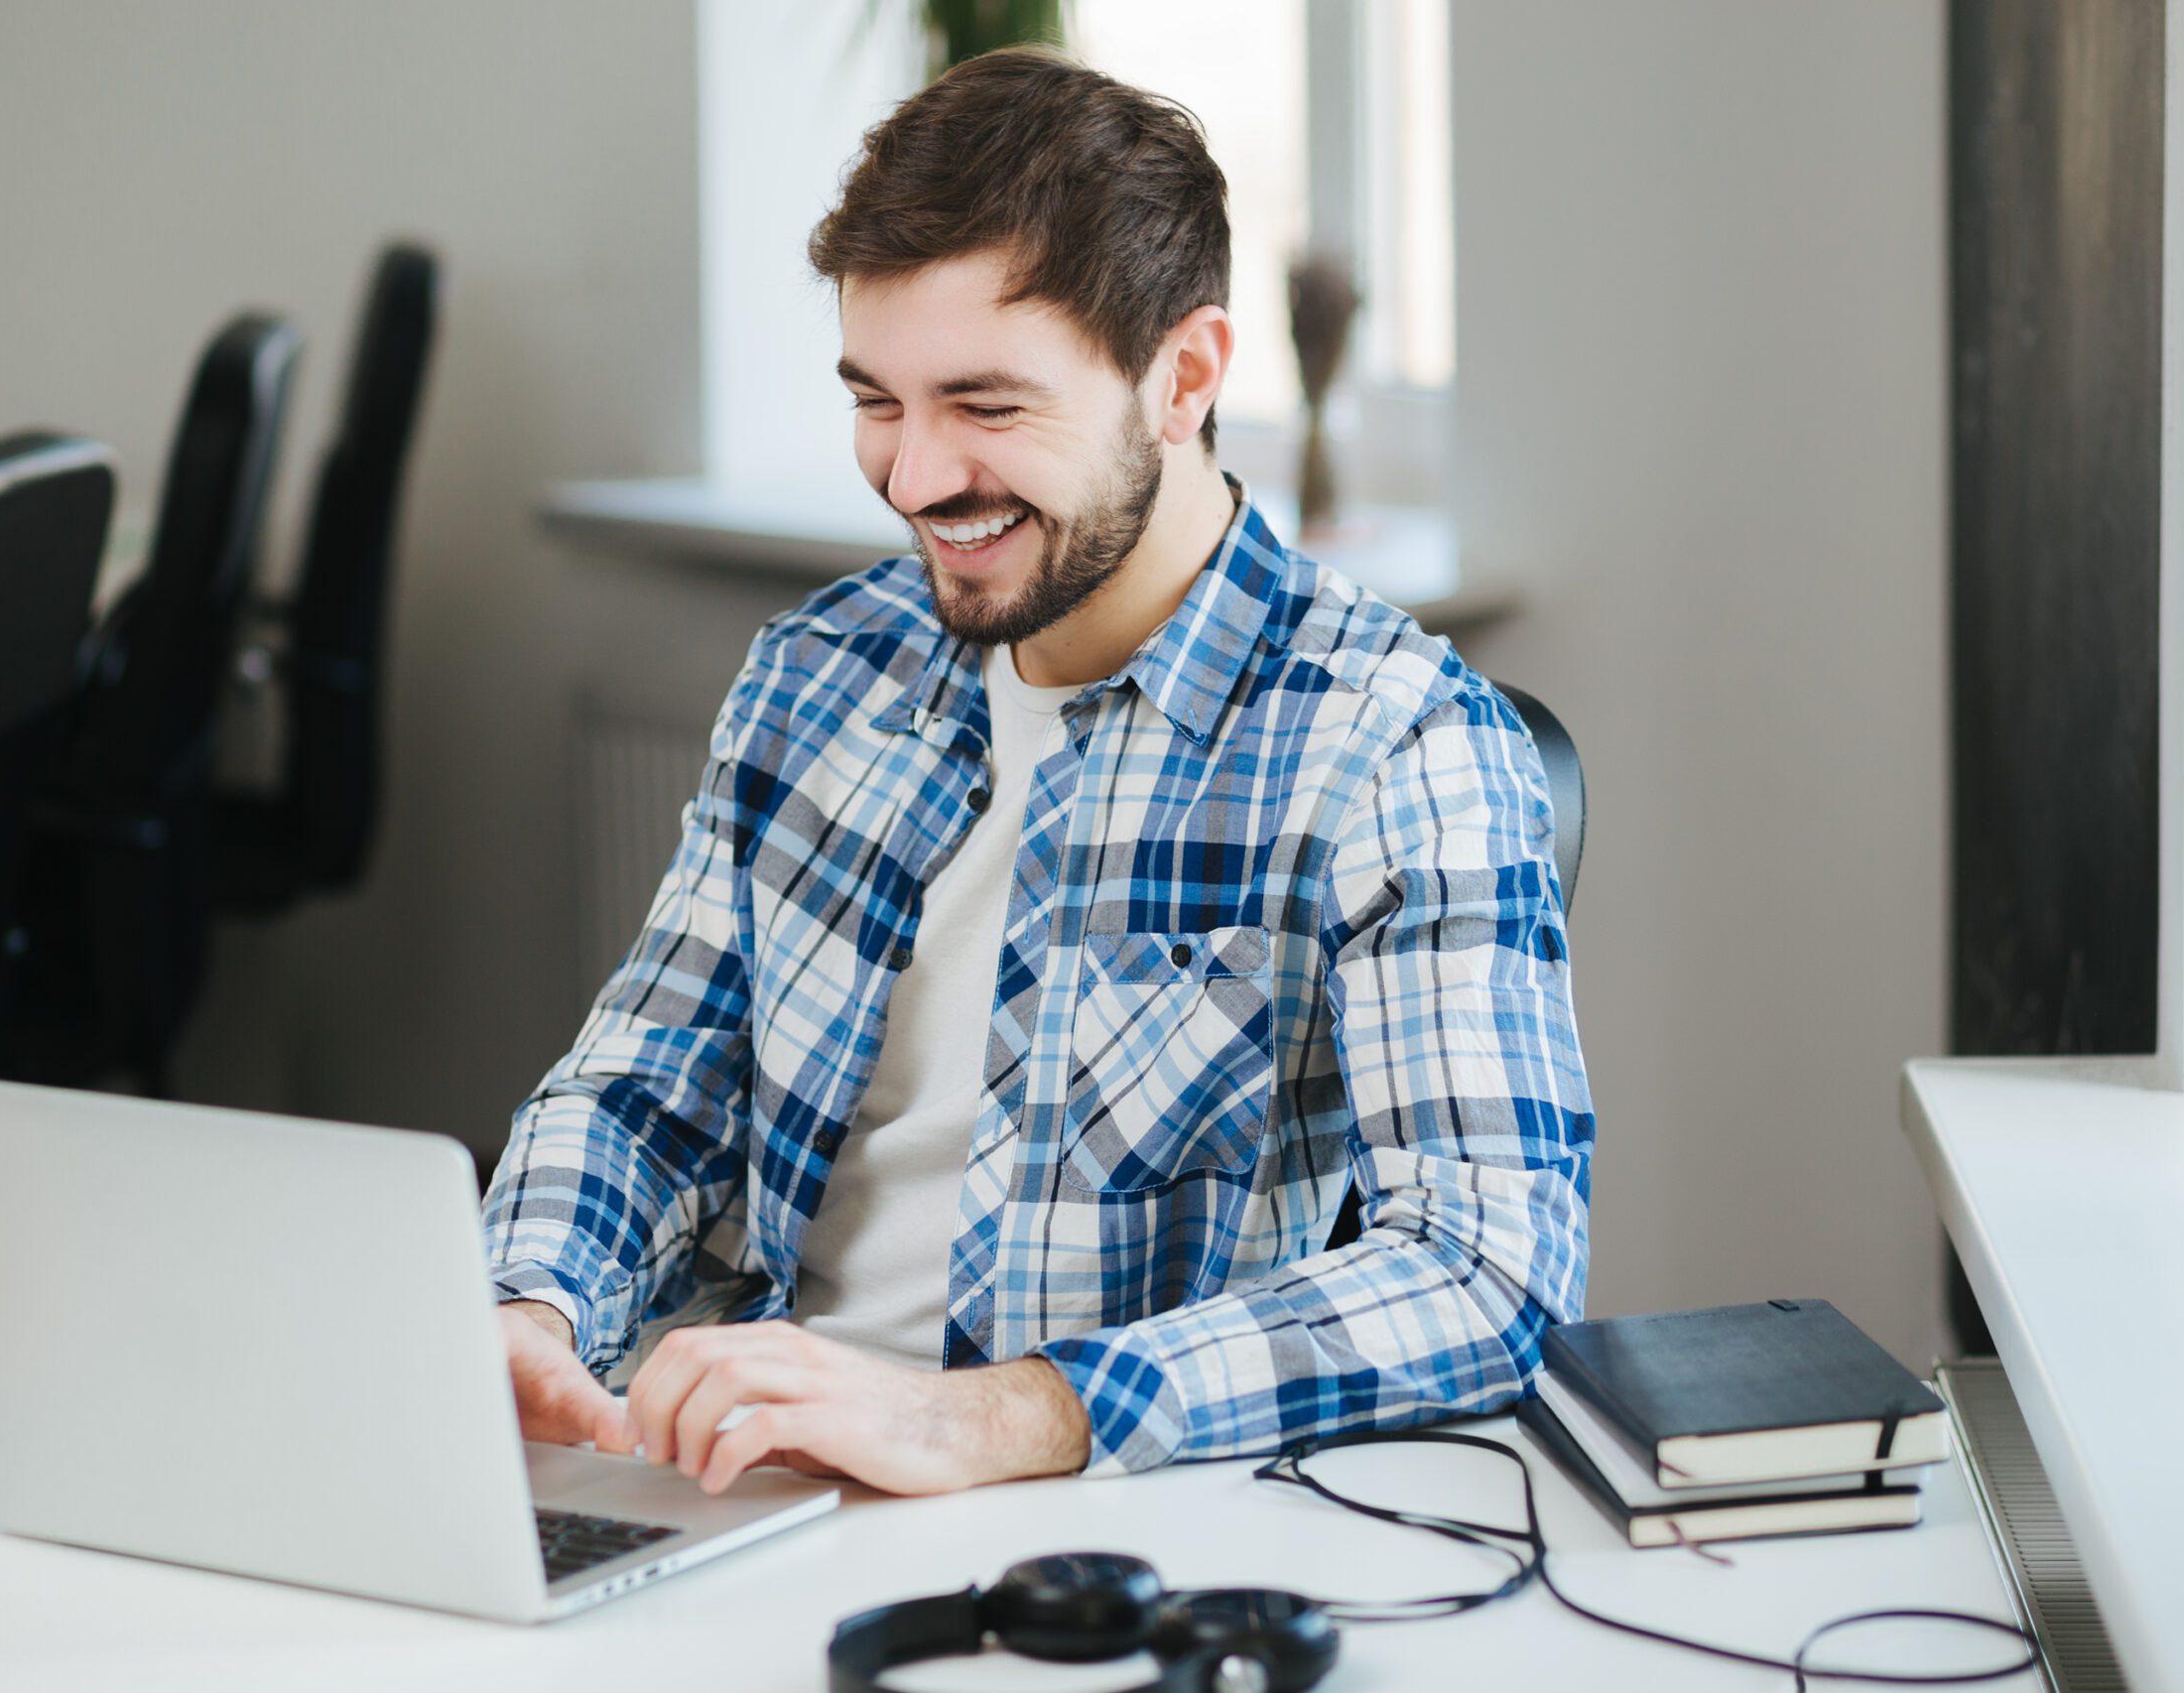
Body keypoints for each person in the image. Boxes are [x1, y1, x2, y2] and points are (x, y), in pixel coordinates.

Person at [481, 48, 1593, 1498]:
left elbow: (1489, 1271)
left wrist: (986, 1416)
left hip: (1100, 1530)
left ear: (1183, 376)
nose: (916, 476)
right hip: (733, 1483)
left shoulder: (1399, 743)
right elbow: (645, 1090)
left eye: (987, 407)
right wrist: (530, 1298)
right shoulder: (818, 672)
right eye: (876, 398)